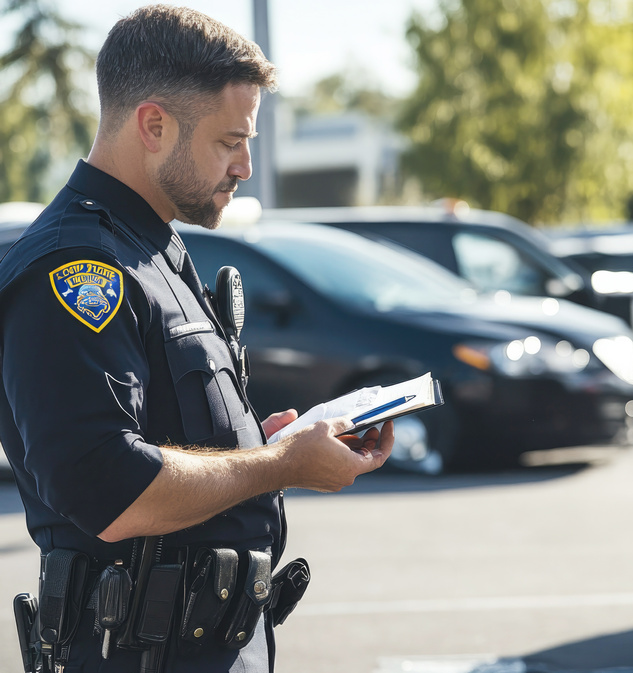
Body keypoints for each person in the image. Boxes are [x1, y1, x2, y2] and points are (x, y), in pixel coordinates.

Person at [0, 6, 394, 672]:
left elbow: (170, 440)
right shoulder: (79, 269)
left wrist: (263, 447)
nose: (244, 165)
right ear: (153, 125)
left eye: (250, 143)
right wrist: (282, 465)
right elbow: (110, 489)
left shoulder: (156, 249)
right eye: (228, 141)